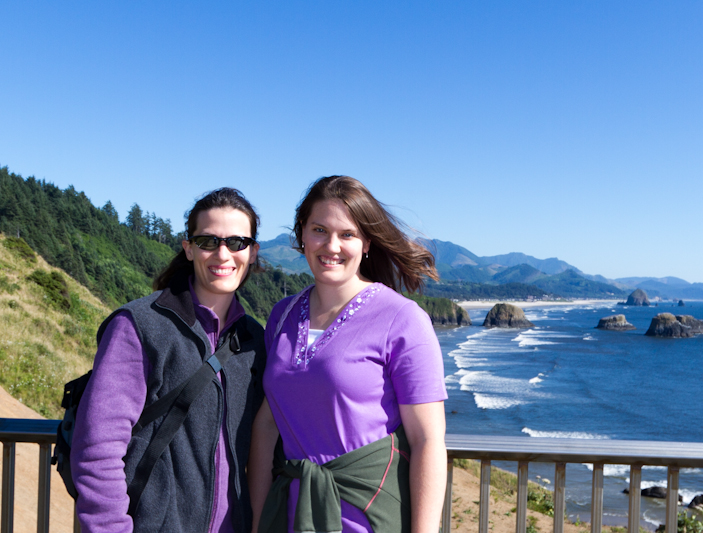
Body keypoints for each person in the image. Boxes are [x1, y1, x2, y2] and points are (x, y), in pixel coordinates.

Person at [249, 176, 447, 533]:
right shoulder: (281, 316)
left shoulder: (403, 320)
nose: (332, 245)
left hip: (367, 519)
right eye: (319, 230)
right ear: (302, 236)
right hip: (288, 516)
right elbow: (267, 424)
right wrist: (258, 519)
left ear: (367, 243)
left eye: (347, 234)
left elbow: (428, 440)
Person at [71, 187, 266, 532]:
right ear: (188, 249)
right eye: (208, 241)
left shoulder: (254, 341)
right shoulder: (139, 326)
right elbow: (98, 449)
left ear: (252, 253)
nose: (223, 254)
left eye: (237, 242)